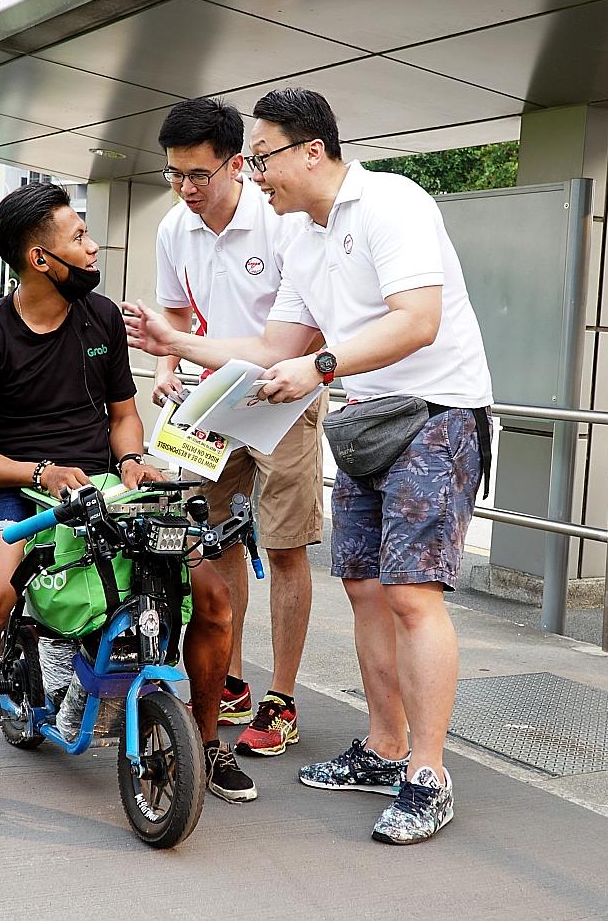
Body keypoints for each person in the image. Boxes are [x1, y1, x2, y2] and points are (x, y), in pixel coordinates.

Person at [125, 88, 494, 844]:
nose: (255, 175)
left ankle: (428, 773)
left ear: (312, 152)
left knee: (413, 594)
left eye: (261, 159)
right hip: (363, 421)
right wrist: (179, 345)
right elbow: (270, 348)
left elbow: (417, 321)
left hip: (436, 414)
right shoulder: (302, 234)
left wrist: (322, 366)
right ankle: (385, 746)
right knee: (362, 585)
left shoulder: (392, 203)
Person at [0, 181, 253, 811]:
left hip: (110, 489)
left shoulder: (102, 316)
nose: (91, 249)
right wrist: (40, 473)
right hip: (23, 493)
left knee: (214, 598)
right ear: (40, 260)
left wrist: (134, 461)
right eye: (79, 238)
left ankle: (208, 742)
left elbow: (122, 415)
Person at [152, 97, 320, 757]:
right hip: (211, 400)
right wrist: (168, 363)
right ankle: (229, 679)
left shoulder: (282, 224)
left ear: (237, 165)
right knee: (211, 539)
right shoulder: (173, 229)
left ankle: (280, 700)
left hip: (285, 397)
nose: (187, 189)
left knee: (283, 546)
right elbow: (175, 314)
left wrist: (305, 375)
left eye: (199, 174)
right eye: (175, 175)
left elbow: (312, 324)